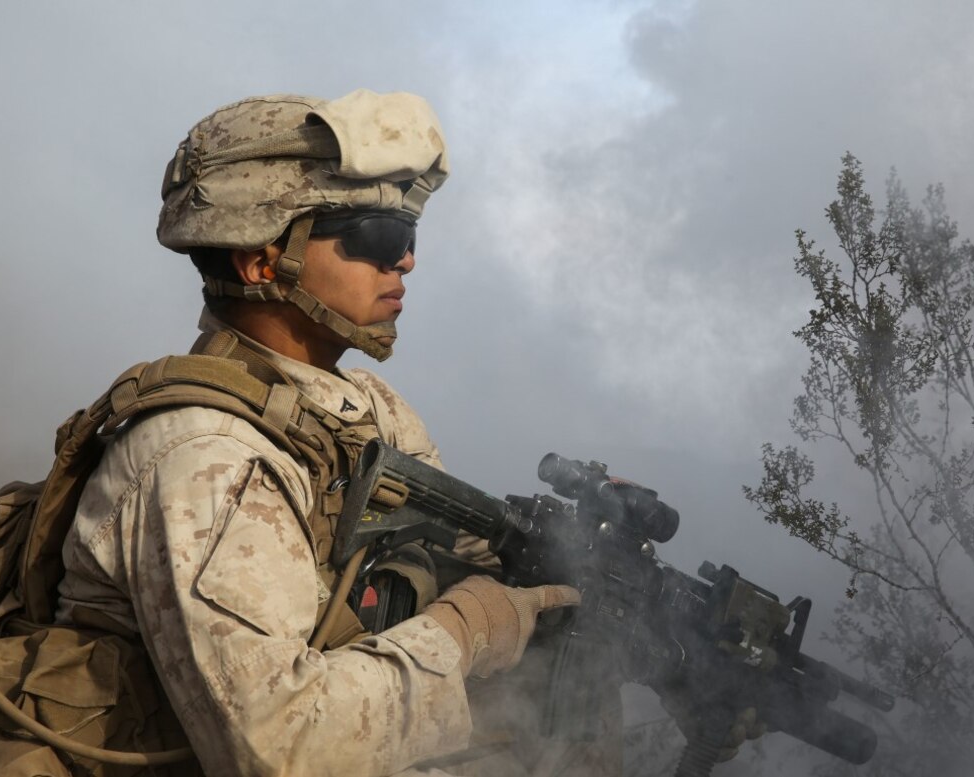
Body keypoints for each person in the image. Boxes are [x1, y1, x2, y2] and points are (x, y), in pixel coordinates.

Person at [47, 90, 582, 776]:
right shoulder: (204, 460)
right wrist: (466, 634)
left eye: (409, 237)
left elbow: (452, 543)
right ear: (261, 260)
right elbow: (281, 746)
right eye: (377, 238)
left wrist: (568, 548)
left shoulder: (364, 408)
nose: (406, 262)